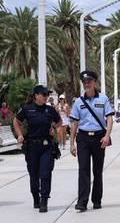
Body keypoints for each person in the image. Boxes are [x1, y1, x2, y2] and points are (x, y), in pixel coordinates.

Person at [69, 71, 114, 212]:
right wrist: (71, 143)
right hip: (83, 138)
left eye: (89, 81)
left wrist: (107, 136)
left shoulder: (103, 99)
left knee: (97, 170)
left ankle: (97, 200)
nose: (86, 84)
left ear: (95, 82)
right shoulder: (78, 102)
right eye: (84, 82)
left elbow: (109, 119)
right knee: (83, 170)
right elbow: (74, 123)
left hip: (99, 138)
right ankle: (82, 202)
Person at [13, 85, 62, 213]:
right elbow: (16, 121)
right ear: (36, 96)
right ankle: (36, 197)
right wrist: (19, 135)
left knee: (45, 173)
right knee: (34, 175)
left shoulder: (50, 110)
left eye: (47, 95)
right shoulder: (27, 109)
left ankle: (44, 199)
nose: (46, 97)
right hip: (32, 147)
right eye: (44, 94)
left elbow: (59, 121)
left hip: (46, 146)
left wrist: (53, 127)